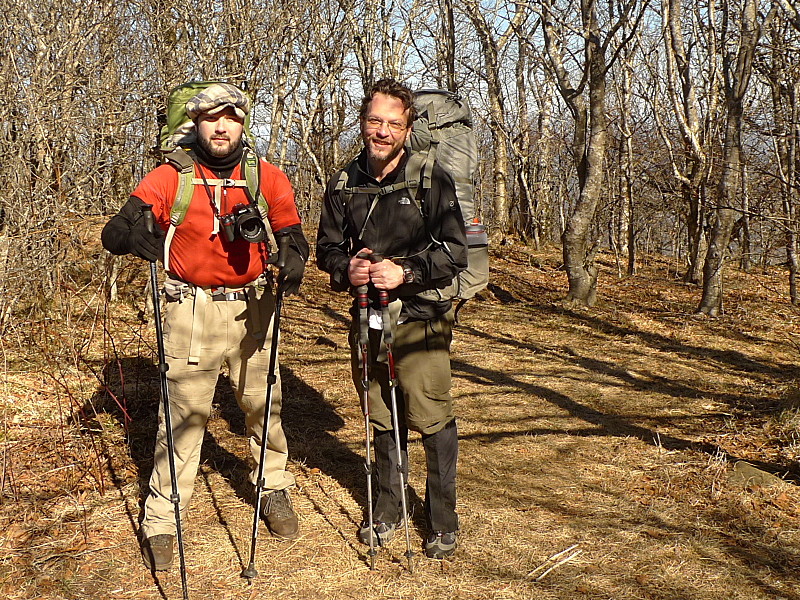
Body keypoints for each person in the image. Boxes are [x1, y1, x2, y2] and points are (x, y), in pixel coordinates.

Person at [102, 82, 309, 571]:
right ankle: (163, 517)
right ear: (195, 124)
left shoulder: (267, 178)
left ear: (243, 124)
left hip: (255, 306)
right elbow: (112, 232)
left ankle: (272, 487)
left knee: (263, 402)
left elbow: (292, 236)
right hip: (191, 308)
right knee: (183, 413)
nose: (221, 127)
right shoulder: (169, 177)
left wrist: (293, 263)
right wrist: (137, 238)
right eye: (212, 118)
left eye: (232, 118)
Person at [316, 78, 468, 559]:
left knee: (429, 413)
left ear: (407, 129)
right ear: (363, 122)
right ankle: (390, 504)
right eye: (374, 121)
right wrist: (349, 268)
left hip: (421, 316)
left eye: (393, 124)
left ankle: (443, 518)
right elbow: (327, 250)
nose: (382, 131)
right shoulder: (343, 182)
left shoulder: (429, 177)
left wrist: (405, 270)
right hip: (367, 316)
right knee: (382, 413)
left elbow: (455, 253)